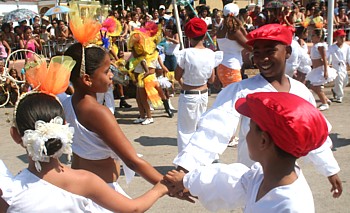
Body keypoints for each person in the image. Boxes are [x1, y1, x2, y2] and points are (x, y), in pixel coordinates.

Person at [172, 24, 342, 198]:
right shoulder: (241, 90)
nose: (263, 59)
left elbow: (314, 134)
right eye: (257, 53)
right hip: (253, 181)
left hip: (287, 180)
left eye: (270, 51)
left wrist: (330, 169)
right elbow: (212, 131)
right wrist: (184, 169)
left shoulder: (301, 91)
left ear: (288, 52)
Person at [3, 56, 170, 211]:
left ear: (15, 135)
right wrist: (162, 188)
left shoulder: (11, 191)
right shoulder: (86, 181)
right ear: (65, 127)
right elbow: (133, 208)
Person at [62, 2, 164, 199]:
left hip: (81, 189)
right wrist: (167, 185)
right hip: (101, 193)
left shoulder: (68, 102)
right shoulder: (98, 112)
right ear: (87, 79)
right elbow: (132, 160)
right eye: (107, 71)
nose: (111, 76)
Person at [165, 92, 330, 212]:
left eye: (249, 129)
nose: (245, 135)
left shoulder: (291, 206)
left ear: (263, 141)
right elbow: (225, 180)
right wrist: (187, 180)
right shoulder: (261, 177)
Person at [175, 17, 223, 153]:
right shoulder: (210, 54)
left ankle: (185, 163)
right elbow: (212, 79)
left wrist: (183, 82)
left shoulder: (185, 54)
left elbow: (177, 75)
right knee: (201, 128)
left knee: (185, 131)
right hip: (203, 94)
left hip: (189, 94)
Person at [216, 3, 252, 88]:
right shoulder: (234, 31)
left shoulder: (221, 29)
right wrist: (243, 29)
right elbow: (249, 46)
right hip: (232, 67)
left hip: (222, 65)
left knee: (227, 94)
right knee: (235, 95)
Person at [306, 28, 337, 111]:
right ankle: (325, 99)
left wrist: (326, 71)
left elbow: (324, 58)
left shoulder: (320, 46)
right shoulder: (315, 46)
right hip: (316, 69)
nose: (311, 37)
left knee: (316, 87)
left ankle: (324, 103)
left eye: (313, 35)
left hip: (320, 69)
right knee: (312, 86)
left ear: (319, 37)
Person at [328, 29, 349, 103]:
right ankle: (339, 96)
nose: (343, 39)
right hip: (336, 66)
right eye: (341, 37)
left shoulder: (346, 47)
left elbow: (348, 57)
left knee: (345, 81)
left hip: (343, 66)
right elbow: (327, 54)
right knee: (339, 80)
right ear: (336, 38)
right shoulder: (332, 47)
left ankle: (335, 90)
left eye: (344, 37)